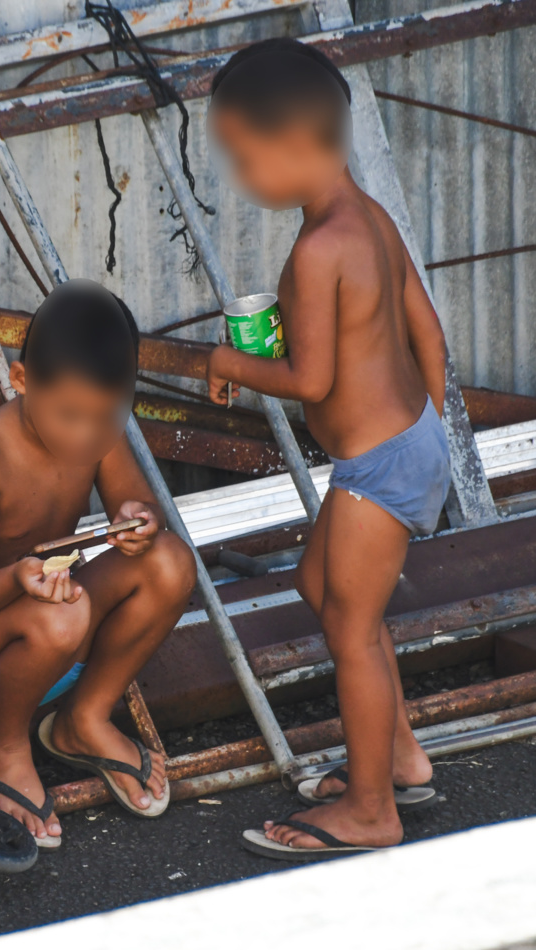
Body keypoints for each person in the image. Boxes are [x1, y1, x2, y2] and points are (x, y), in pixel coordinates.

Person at [205, 39, 450, 859]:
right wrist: (432, 421)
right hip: (402, 444)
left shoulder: (315, 252)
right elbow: (423, 321)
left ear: (294, 146)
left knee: (349, 625)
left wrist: (231, 361)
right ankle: (401, 755)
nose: (242, 179)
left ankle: (373, 808)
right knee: (324, 585)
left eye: (244, 159)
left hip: (378, 464)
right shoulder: (364, 215)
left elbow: (308, 378)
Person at [0, 279, 195, 847]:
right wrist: (17, 580)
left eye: (108, 417)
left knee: (171, 562)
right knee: (62, 614)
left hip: (47, 630)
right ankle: (0, 750)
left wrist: (139, 520)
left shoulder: (99, 431)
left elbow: (142, 509)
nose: (87, 436)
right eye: (69, 415)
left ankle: (84, 719)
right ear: (21, 379)